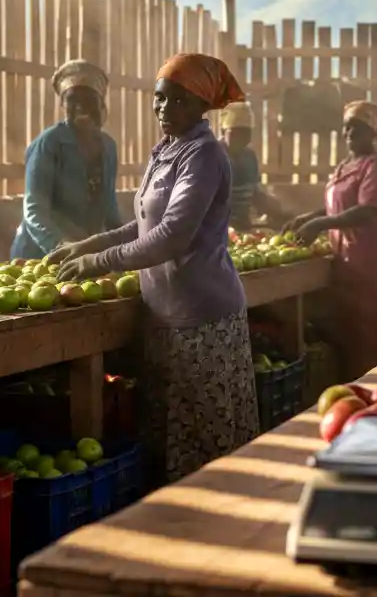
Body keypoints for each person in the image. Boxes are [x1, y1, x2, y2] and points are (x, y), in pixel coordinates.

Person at [49, 53, 259, 485]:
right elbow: (145, 222)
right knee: (172, 439)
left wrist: (98, 263)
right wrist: (92, 243)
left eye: (178, 101)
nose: (165, 109)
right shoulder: (167, 150)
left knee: (205, 445)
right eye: (159, 99)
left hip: (202, 319)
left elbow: (171, 237)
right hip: (165, 315)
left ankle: (214, 534)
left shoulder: (204, 155)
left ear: (202, 106)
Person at [285, 100, 377, 379]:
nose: (350, 132)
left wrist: (320, 223)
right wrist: (309, 216)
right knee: (353, 345)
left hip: (372, 267)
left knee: (374, 345)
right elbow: (337, 205)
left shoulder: (376, 168)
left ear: (373, 133)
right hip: (348, 268)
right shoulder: (346, 166)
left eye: (359, 127)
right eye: (347, 126)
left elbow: (368, 211)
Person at [11, 60, 123, 260]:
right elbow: (35, 209)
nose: (81, 107)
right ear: (63, 105)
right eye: (72, 100)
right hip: (38, 255)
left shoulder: (108, 147)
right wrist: (61, 246)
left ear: (101, 103)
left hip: (81, 255)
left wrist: (127, 245)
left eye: (89, 100)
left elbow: (110, 209)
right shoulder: (48, 144)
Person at [219, 102, 286, 230]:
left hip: (242, 227)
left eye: (246, 133)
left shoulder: (249, 157)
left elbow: (254, 193)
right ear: (223, 131)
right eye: (235, 133)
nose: (241, 138)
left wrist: (276, 212)